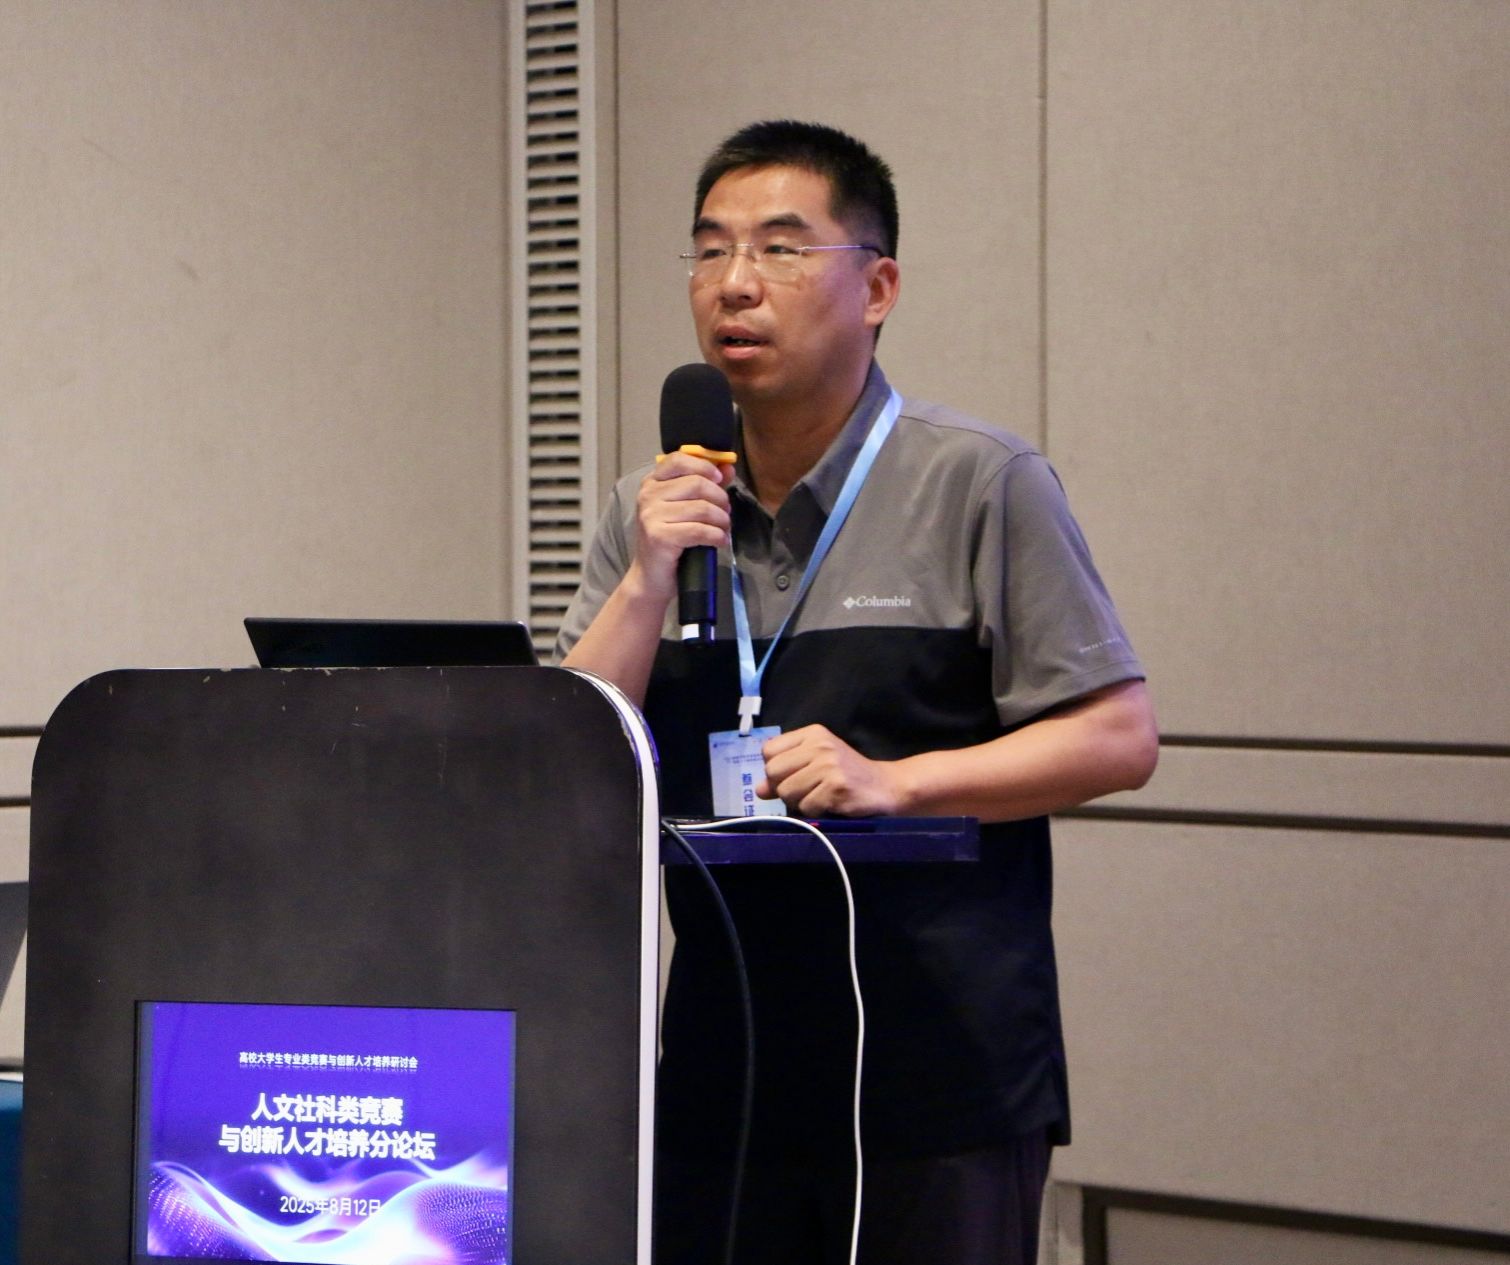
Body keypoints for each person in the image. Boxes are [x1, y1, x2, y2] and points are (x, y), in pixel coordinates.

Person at [557, 120, 1158, 1265]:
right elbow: (570, 759)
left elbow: (1119, 736)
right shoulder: (652, 505)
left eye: (780, 249)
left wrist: (896, 782)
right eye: (710, 250)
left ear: (877, 287)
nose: (735, 283)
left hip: (939, 1080)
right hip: (724, 1076)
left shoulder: (977, 480)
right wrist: (644, 579)